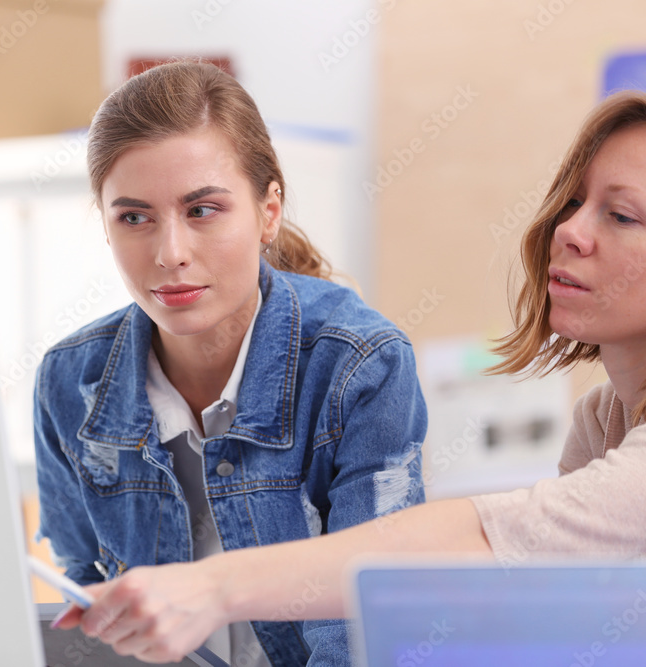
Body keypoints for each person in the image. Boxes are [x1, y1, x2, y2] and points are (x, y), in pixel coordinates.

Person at [51, 90, 646, 664]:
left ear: (269, 210)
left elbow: (504, 543)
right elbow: (565, 613)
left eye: (621, 215)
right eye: (573, 201)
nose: (569, 231)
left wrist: (212, 588)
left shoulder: (358, 359)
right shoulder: (603, 417)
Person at [33, 61, 428, 666]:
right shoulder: (71, 380)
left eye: (203, 210)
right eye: (134, 217)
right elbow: (88, 604)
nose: (170, 255)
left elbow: (368, 617)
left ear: (268, 212)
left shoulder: (359, 367)